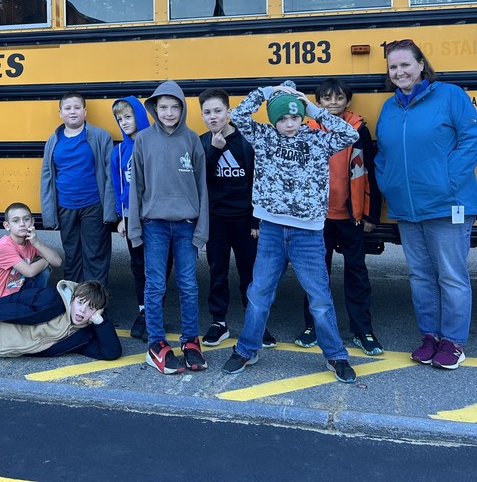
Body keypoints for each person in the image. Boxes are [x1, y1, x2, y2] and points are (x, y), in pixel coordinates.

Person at [221, 81, 360, 384]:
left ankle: (335, 355)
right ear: (274, 120)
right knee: (259, 295)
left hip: (308, 234)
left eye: (294, 117)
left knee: (320, 299)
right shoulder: (264, 136)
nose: (288, 124)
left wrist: (311, 108)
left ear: (301, 117)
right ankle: (247, 349)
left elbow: (351, 133)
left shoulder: (317, 139)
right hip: (271, 229)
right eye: (282, 118)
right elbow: (240, 115)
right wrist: (264, 92)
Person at [375, 39, 477, 370]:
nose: (399, 72)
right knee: (421, 276)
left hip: (448, 204)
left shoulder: (449, 95)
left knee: (450, 275)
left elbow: (472, 138)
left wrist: (448, 182)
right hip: (407, 208)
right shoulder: (390, 108)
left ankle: (453, 342)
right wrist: (389, 187)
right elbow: (382, 153)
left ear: (421, 65)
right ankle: (430, 337)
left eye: (405, 64)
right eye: (393, 67)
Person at [294, 79, 384, 356]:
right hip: (316, 218)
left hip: (351, 216)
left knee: (356, 273)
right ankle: (313, 326)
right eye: (326, 98)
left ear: (348, 101)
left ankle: (362, 330)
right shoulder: (305, 129)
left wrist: (371, 213)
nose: (333, 102)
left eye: (339, 97)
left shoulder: (358, 130)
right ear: (317, 102)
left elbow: (370, 171)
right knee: (315, 275)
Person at [127, 80, 208, 375]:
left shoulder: (192, 140)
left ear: (183, 109)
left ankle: (190, 340)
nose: (170, 112)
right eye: (163, 107)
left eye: (175, 107)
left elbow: (201, 188)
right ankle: (156, 343)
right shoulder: (144, 140)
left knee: (188, 284)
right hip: (154, 225)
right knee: (155, 285)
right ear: (154, 109)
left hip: (186, 225)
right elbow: (136, 187)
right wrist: (134, 228)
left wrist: (202, 230)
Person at [198, 88, 274, 349]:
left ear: (228, 112)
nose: (213, 117)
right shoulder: (202, 143)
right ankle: (219, 322)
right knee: (217, 270)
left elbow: (258, 181)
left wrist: (256, 221)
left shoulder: (245, 141)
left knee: (250, 273)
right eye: (207, 113)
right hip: (216, 219)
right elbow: (198, 182)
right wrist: (214, 151)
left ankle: (255, 323)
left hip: (244, 219)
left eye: (218, 111)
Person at [40, 91, 117, 285]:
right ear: (60, 113)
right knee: (72, 257)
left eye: (77, 107)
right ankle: (73, 307)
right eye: (67, 108)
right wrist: (49, 214)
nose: (72, 112)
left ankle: (97, 309)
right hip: (66, 208)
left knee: (95, 258)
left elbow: (110, 175)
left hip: (93, 206)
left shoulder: (100, 136)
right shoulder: (54, 140)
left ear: (85, 111)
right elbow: (47, 177)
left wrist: (109, 211)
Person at [110, 96, 151, 340]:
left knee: (155, 267)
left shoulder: (152, 144)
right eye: (119, 119)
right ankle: (143, 311)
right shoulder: (119, 150)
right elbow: (118, 186)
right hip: (130, 217)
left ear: (140, 115)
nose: (124, 122)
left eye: (128, 116)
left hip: (154, 216)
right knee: (138, 266)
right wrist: (120, 216)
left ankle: (152, 313)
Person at [0, 202, 62, 305]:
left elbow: (58, 261)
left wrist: (37, 243)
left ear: (32, 222)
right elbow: (29, 272)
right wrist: (46, 261)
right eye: (16, 221)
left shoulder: (30, 241)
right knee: (42, 269)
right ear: (7, 226)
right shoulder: (4, 246)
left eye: (26, 219)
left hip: (16, 294)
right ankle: (33, 306)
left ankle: (34, 304)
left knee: (44, 272)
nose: (22, 224)